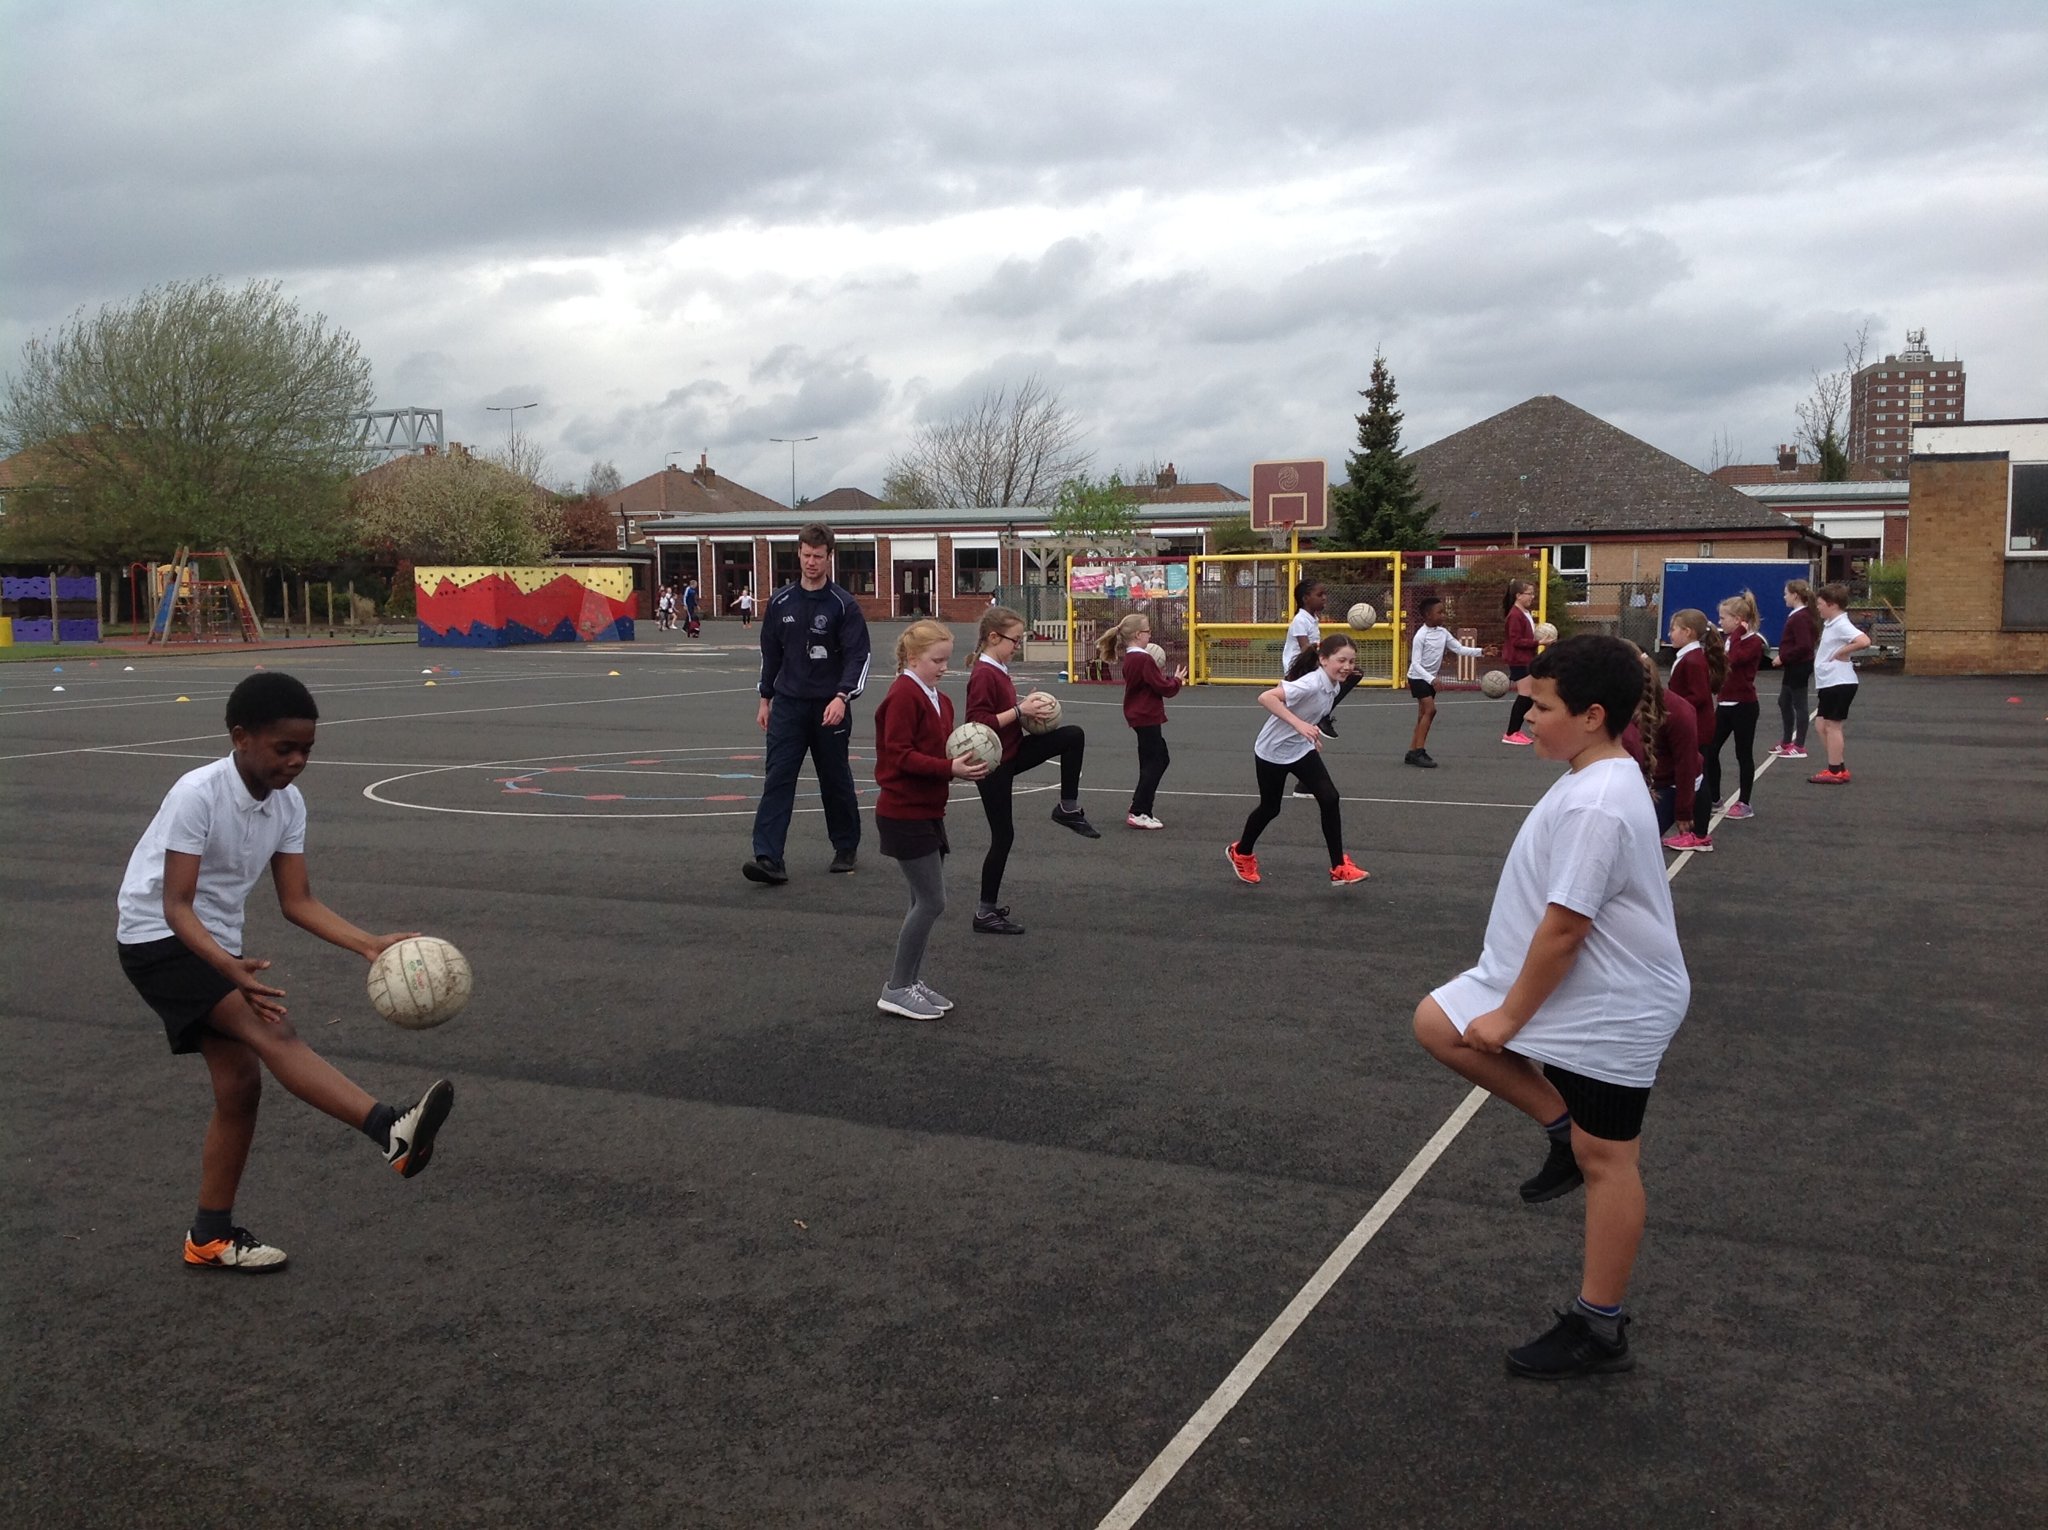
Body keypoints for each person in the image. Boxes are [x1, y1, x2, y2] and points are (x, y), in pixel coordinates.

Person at [1412, 634, 1690, 1379]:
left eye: (1540, 706)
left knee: (1611, 1162)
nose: (1526, 717)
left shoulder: (1598, 799)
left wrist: (1508, 1022)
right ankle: (1561, 1126)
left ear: (1593, 715)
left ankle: (1599, 1327)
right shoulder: (1590, 771)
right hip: (1572, 986)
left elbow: (1567, 928)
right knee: (1438, 1022)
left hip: (1611, 1005)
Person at [115, 672, 454, 1273]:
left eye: (307, 751)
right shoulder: (198, 792)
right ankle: (390, 1130)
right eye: (284, 749)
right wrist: (228, 968)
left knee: (240, 1086)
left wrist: (368, 944)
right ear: (240, 737)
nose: (297, 762)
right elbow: (175, 904)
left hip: (214, 945)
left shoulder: (288, 804)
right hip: (160, 939)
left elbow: (297, 902)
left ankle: (210, 1237)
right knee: (275, 1033)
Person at [743, 524, 872, 885]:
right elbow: (770, 653)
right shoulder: (781, 602)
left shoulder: (843, 605)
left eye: (818, 555)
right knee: (778, 777)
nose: (811, 561)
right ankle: (768, 857)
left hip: (830, 706)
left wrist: (843, 696)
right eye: (806, 554)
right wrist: (765, 697)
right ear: (797, 554)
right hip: (788, 705)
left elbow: (858, 657)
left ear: (829, 557)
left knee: (834, 779)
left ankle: (845, 846)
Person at [871, 620, 987, 1020]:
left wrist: (966, 758)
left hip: (927, 811)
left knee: (921, 901)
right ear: (912, 658)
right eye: (937, 660)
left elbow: (939, 749)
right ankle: (897, 986)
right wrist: (949, 768)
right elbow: (898, 754)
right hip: (903, 812)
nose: (944, 667)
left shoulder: (937, 698)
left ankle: (910, 981)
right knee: (932, 901)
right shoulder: (904, 694)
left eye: (947, 659)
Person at [965, 605, 1099, 933]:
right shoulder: (984, 673)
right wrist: (1018, 709)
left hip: (1011, 752)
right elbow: (977, 722)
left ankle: (1067, 808)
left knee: (1072, 736)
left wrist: (1027, 711)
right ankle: (984, 913)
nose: (1018, 645)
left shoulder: (998, 667)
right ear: (994, 637)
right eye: (1015, 639)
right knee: (1003, 836)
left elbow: (1007, 713)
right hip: (992, 762)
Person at [1224, 633, 1370, 887]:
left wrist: (1309, 734)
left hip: (1300, 749)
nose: (1347, 666)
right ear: (1323, 660)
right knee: (1270, 808)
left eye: (1351, 661)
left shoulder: (1333, 683)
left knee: (1330, 797)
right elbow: (1266, 697)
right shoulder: (1311, 683)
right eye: (1341, 660)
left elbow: (1310, 712)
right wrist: (1300, 725)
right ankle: (1241, 852)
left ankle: (1338, 867)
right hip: (1272, 752)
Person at [1098, 611, 1185, 829]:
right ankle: (1139, 810)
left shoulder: (1132, 657)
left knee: (1157, 759)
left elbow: (1150, 683)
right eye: (1147, 631)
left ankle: (1142, 805)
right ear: (1138, 635)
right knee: (1154, 762)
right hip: (1146, 716)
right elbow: (1163, 688)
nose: (1150, 635)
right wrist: (1176, 680)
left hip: (1140, 715)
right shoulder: (1143, 659)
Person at [1663, 608, 1724, 851]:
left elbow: (1698, 695)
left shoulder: (1693, 659)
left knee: (1699, 779)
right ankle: (1695, 832)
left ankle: (1699, 834)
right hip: (1696, 724)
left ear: (1687, 632)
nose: (1670, 634)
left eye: (1673, 629)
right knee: (1698, 777)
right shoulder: (1688, 656)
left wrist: (1671, 704)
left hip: (1698, 727)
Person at [1706, 593, 1766, 821]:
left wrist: (1740, 632)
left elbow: (1734, 659)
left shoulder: (1752, 641)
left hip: (1744, 705)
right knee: (1710, 750)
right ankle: (1714, 797)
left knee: (1743, 753)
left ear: (1739, 619)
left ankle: (1744, 802)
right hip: (1724, 703)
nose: (1720, 621)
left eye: (1724, 618)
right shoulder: (1729, 638)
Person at [1404, 595, 1482, 767]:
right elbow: (1415, 664)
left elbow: (1459, 648)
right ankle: (1419, 752)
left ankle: (1411, 751)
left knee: (1422, 715)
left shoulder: (1443, 633)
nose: (1443, 615)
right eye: (1439, 612)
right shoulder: (1421, 636)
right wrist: (1432, 679)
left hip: (1429, 679)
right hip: (1418, 678)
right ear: (1428, 615)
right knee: (1430, 710)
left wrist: (1481, 651)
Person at [1808, 582, 1871, 784]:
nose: (1818, 607)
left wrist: (1841, 652)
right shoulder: (1832, 624)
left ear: (1832, 604)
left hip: (1839, 682)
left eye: (1820, 604)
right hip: (1829, 682)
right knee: (1820, 724)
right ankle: (1838, 765)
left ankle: (1835, 770)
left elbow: (1864, 641)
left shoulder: (1841, 624)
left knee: (1832, 726)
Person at [1771, 580, 1817, 759]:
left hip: (1799, 666)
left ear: (1795, 595)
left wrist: (1783, 657)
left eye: (1786, 594)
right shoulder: (1798, 615)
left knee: (1800, 704)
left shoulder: (1800, 617)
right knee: (1784, 701)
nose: (1784, 597)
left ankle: (1799, 745)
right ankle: (1786, 741)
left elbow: (1804, 645)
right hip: (1794, 666)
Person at [1500, 580, 1539, 745]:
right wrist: (1539, 642)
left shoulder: (1524, 613)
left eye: (1532, 593)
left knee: (1529, 695)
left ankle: (1516, 730)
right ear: (1518, 595)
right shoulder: (1515, 615)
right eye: (1529, 593)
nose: (1532, 596)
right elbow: (1515, 641)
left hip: (1526, 659)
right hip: (1518, 660)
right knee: (1525, 695)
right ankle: (1511, 733)